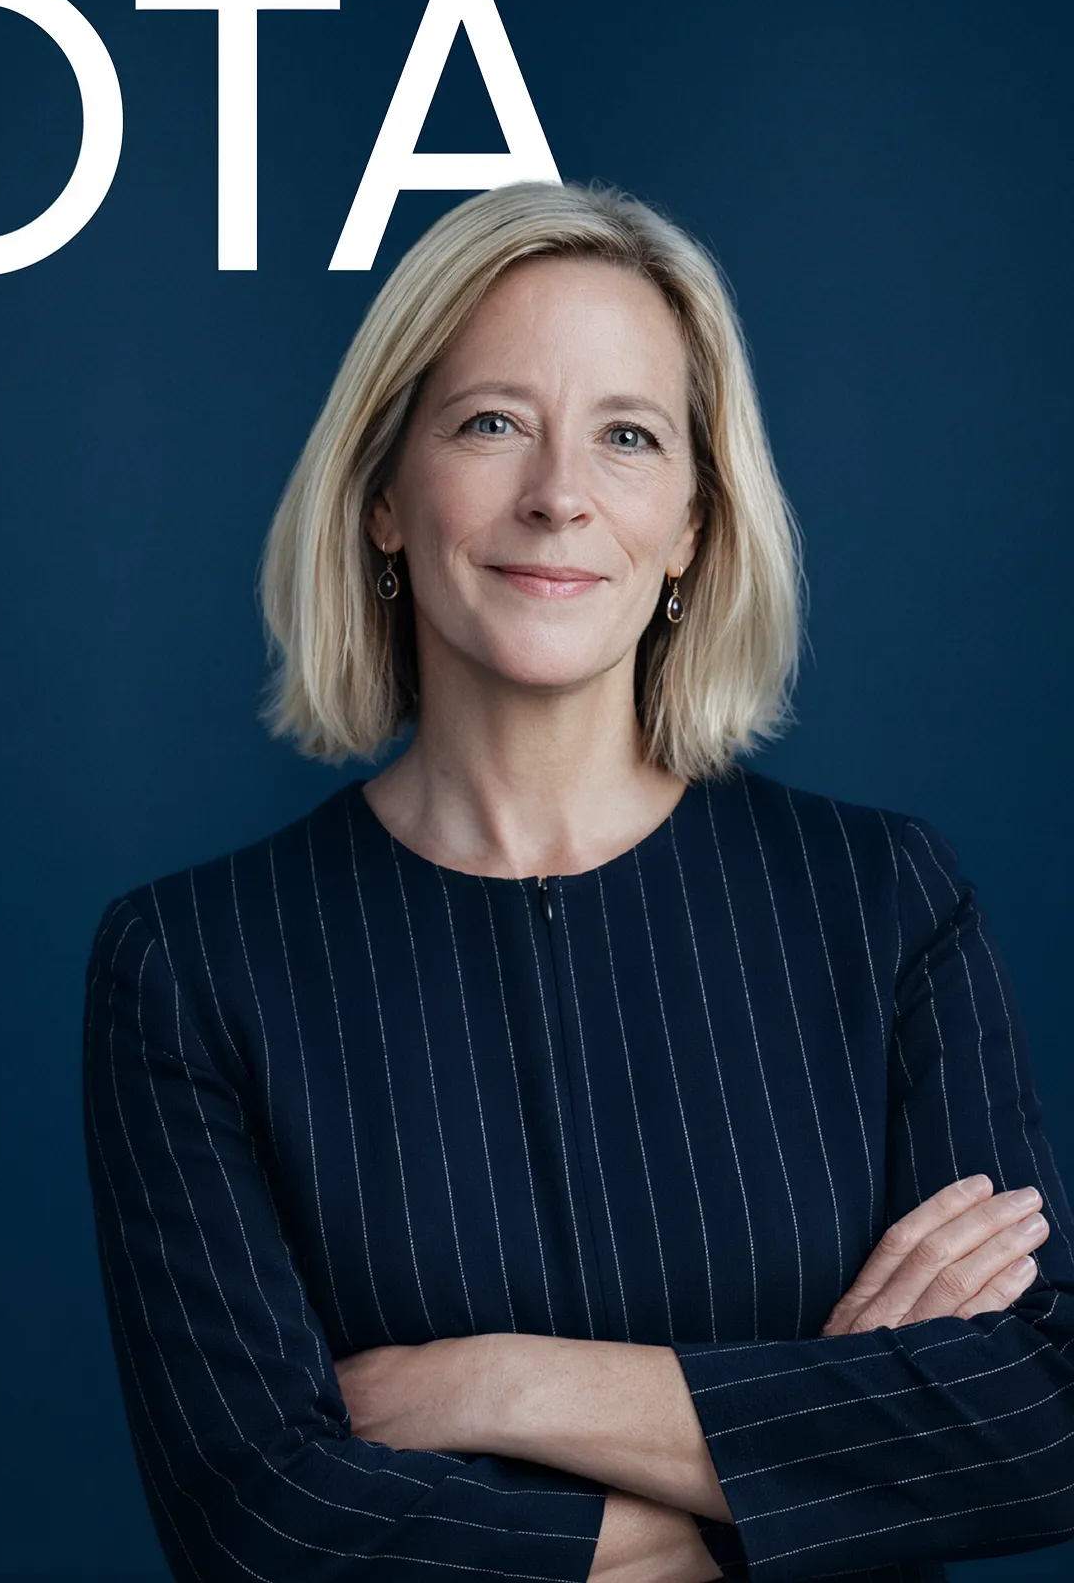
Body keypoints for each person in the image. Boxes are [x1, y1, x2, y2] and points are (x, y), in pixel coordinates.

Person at [81, 179, 1074, 1583]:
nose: (558, 497)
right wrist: (804, 1470)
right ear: (381, 493)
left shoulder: (881, 900)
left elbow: (1042, 1409)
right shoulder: (192, 963)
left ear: (688, 524)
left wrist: (492, 1387)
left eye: (628, 437)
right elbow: (261, 1524)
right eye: (492, 424)